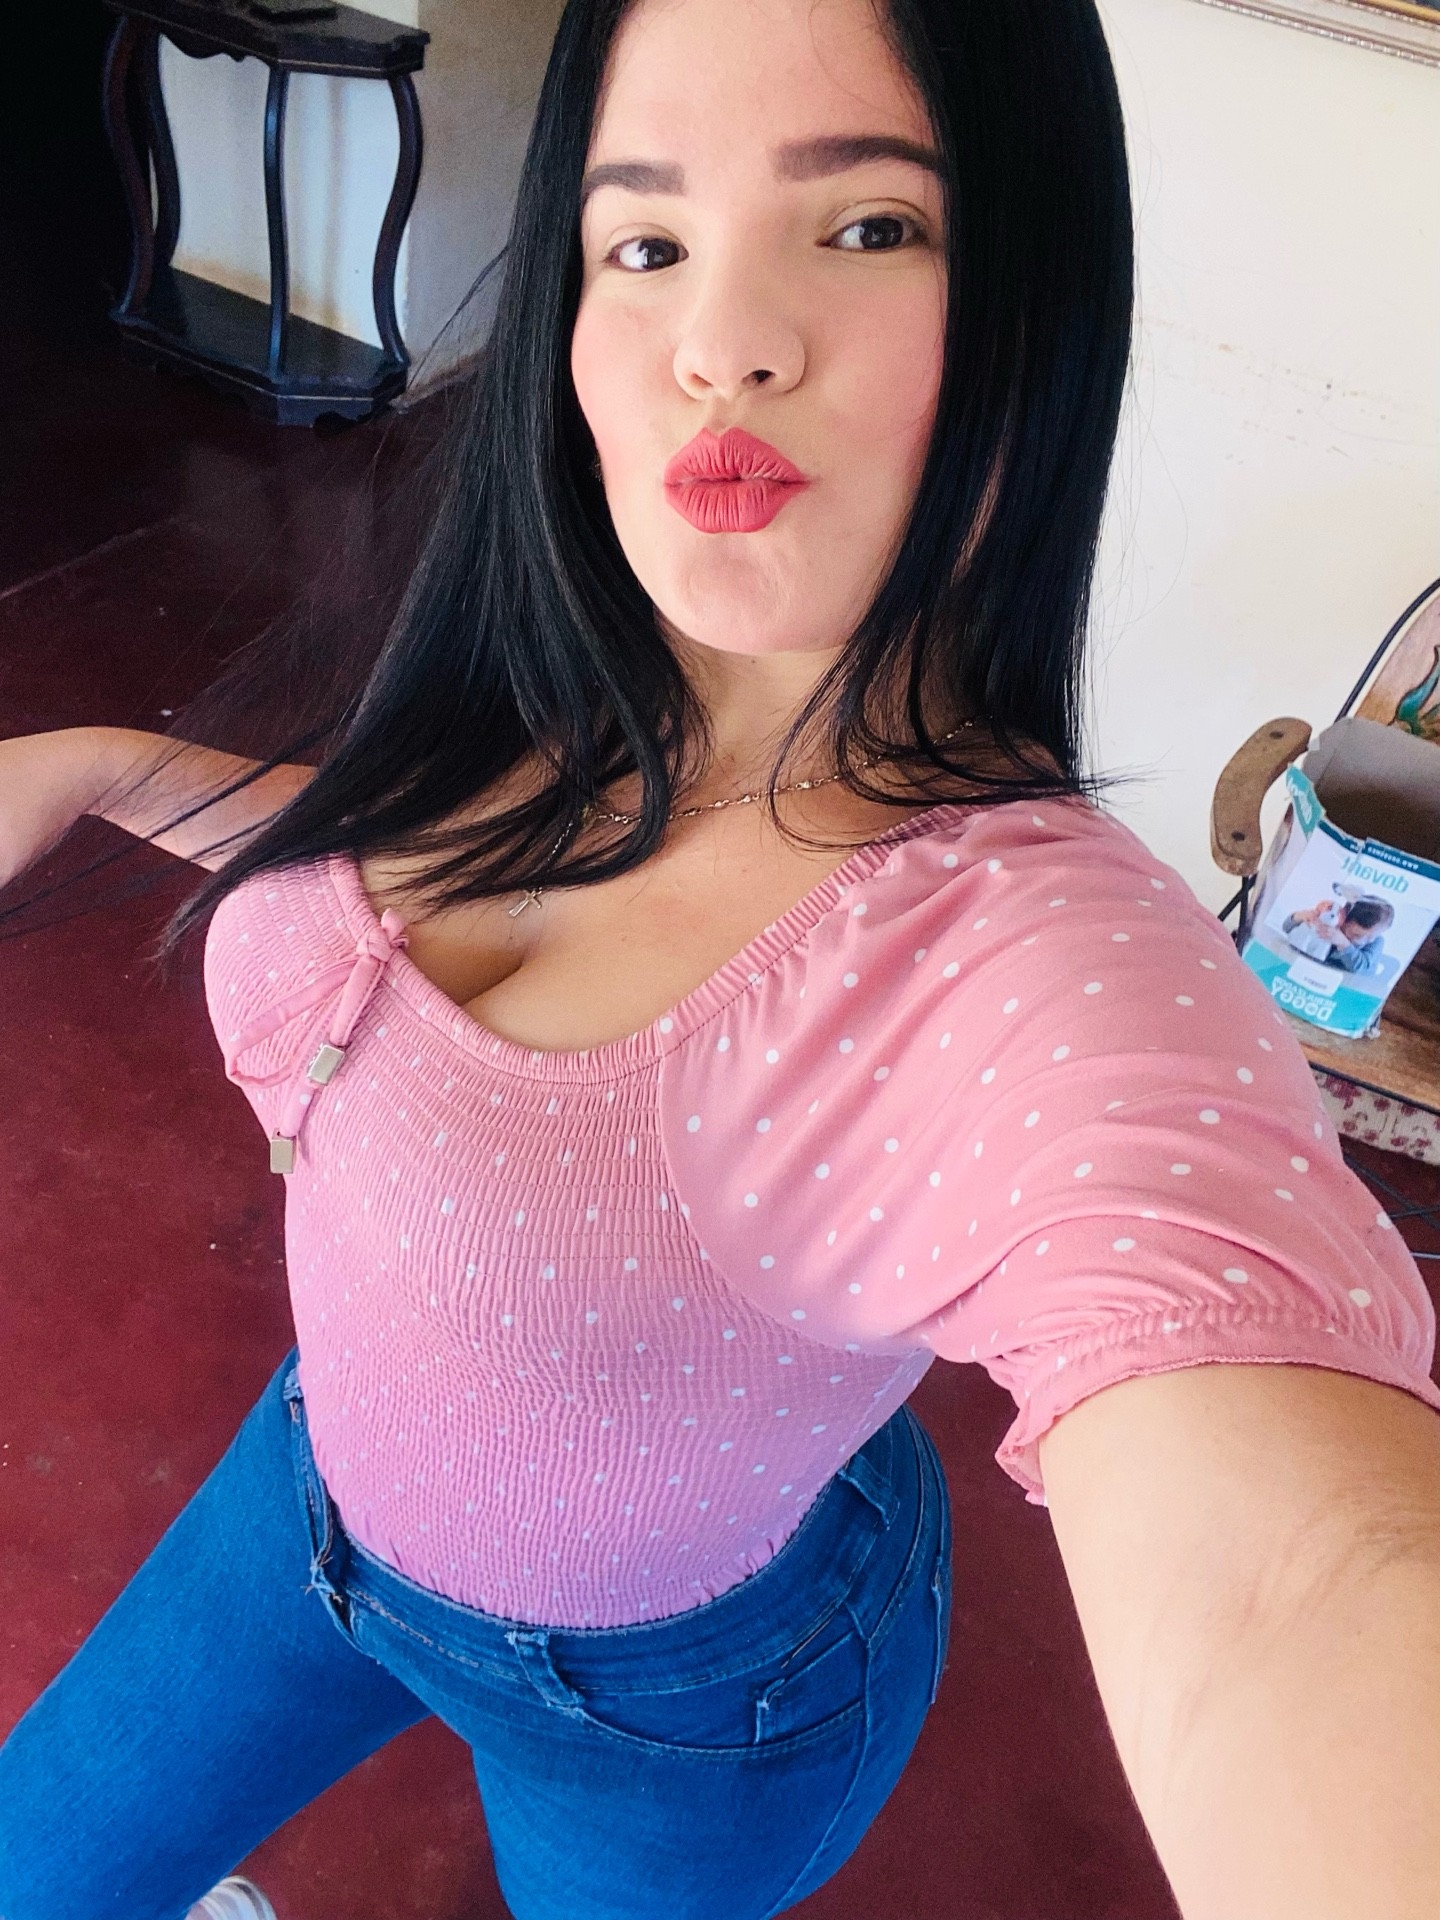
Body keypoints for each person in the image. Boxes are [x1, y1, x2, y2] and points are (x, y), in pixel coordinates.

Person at [3, 0, 1440, 1916]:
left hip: (677, 1696)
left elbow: (1306, 1583)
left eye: (867, 226)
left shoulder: (1028, 954)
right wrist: (99, 765)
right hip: (310, 1491)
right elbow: (395, 894)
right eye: (646, 240)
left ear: (1035, 306)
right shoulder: (575, 673)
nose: (720, 343)